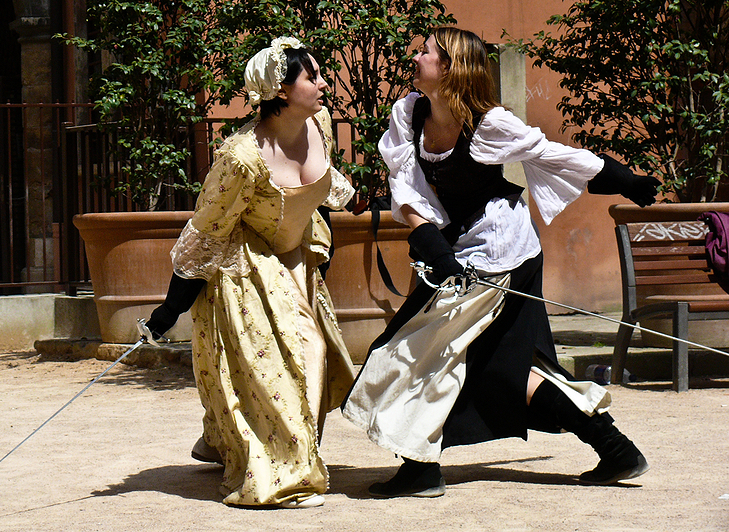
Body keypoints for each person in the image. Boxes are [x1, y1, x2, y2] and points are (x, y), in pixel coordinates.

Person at [341, 27, 659, 498]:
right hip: (457, 250)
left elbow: (551, 153)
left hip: (498, 253)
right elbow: (405, 188)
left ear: (449, 66)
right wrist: (428, 239)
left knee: (413, 350)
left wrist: (625, 180)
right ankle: (615, 449)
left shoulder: (488, 124)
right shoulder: (408, 114)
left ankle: (421, 467)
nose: (416, 55)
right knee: (495, 368)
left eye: (426, 50)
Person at [143, 37, 356, 508]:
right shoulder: (241, 158)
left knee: (314, 354)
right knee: (288, 359)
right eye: (312, 77)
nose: (323, 84)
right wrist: (170, 307)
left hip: (297, 258)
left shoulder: (318, 122)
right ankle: (285, 475)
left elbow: (323, 189)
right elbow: (206, 232)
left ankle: (241, 443)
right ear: (280, 91)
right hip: (248, 265)